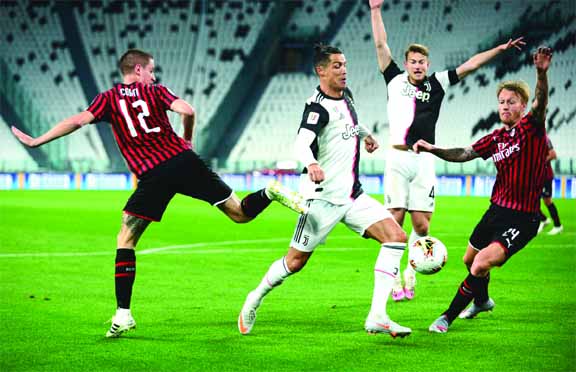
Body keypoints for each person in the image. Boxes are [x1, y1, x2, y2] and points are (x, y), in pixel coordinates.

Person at [11, 49, 308, 338]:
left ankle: (123, 314)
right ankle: (268, 192)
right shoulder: (156, 92)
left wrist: (39, 140)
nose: (153, 77)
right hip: (183, 160)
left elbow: (77, 121)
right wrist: (187, 138)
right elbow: (187, 110)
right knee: (240, 214)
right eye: (151, 71)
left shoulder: (107, 99)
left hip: (153, 173)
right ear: (137, 70)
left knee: (125, 239)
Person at [237, 44, 411, 338]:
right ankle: (254, 298)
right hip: (321, 198)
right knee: (295, 262)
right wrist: (312, 162)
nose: (344, 70)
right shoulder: (316, 107)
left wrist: (366, 136)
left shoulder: (348, 95)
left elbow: (351, 124)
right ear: (321, 71)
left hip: (352, 195)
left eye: (344, 64)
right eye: (337, 66)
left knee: (396, 237)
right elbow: (301, 142)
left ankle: (378, 316)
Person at [369, 0, 526, 301]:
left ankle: (411, 273)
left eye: (422, 62)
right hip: (397, 158)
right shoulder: (393, 79)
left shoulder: (437, 83)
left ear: (427, 65)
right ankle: (395, 284)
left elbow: (472, 65)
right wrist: (376, 10)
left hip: (425, 159)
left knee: (422, 225)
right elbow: (380, 43)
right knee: (395, 221)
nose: (417, 66)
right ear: (406, 63)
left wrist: (500, 50)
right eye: (413, 61)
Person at [411, 46, 553, 333]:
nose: (504, 106)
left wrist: (540, 73)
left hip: (523, 218)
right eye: (501, 102)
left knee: (480, 265)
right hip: (495, 211)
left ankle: (446, 317)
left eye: (511, 102)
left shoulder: (532, 127)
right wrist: (432, 149)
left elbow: (541, 102)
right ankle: (483, 300)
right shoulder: (496, 138)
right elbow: (464, 153)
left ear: (522, 106)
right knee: (468, 260)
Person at [537, 136, 563, 235]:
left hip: (545, 176)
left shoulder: (544, 139)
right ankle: (543, 219)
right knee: (529, 199)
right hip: (536, 176)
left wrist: (539, 162)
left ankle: (558, 226)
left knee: (547, 201)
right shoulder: (531, 138)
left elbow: (553, 155)